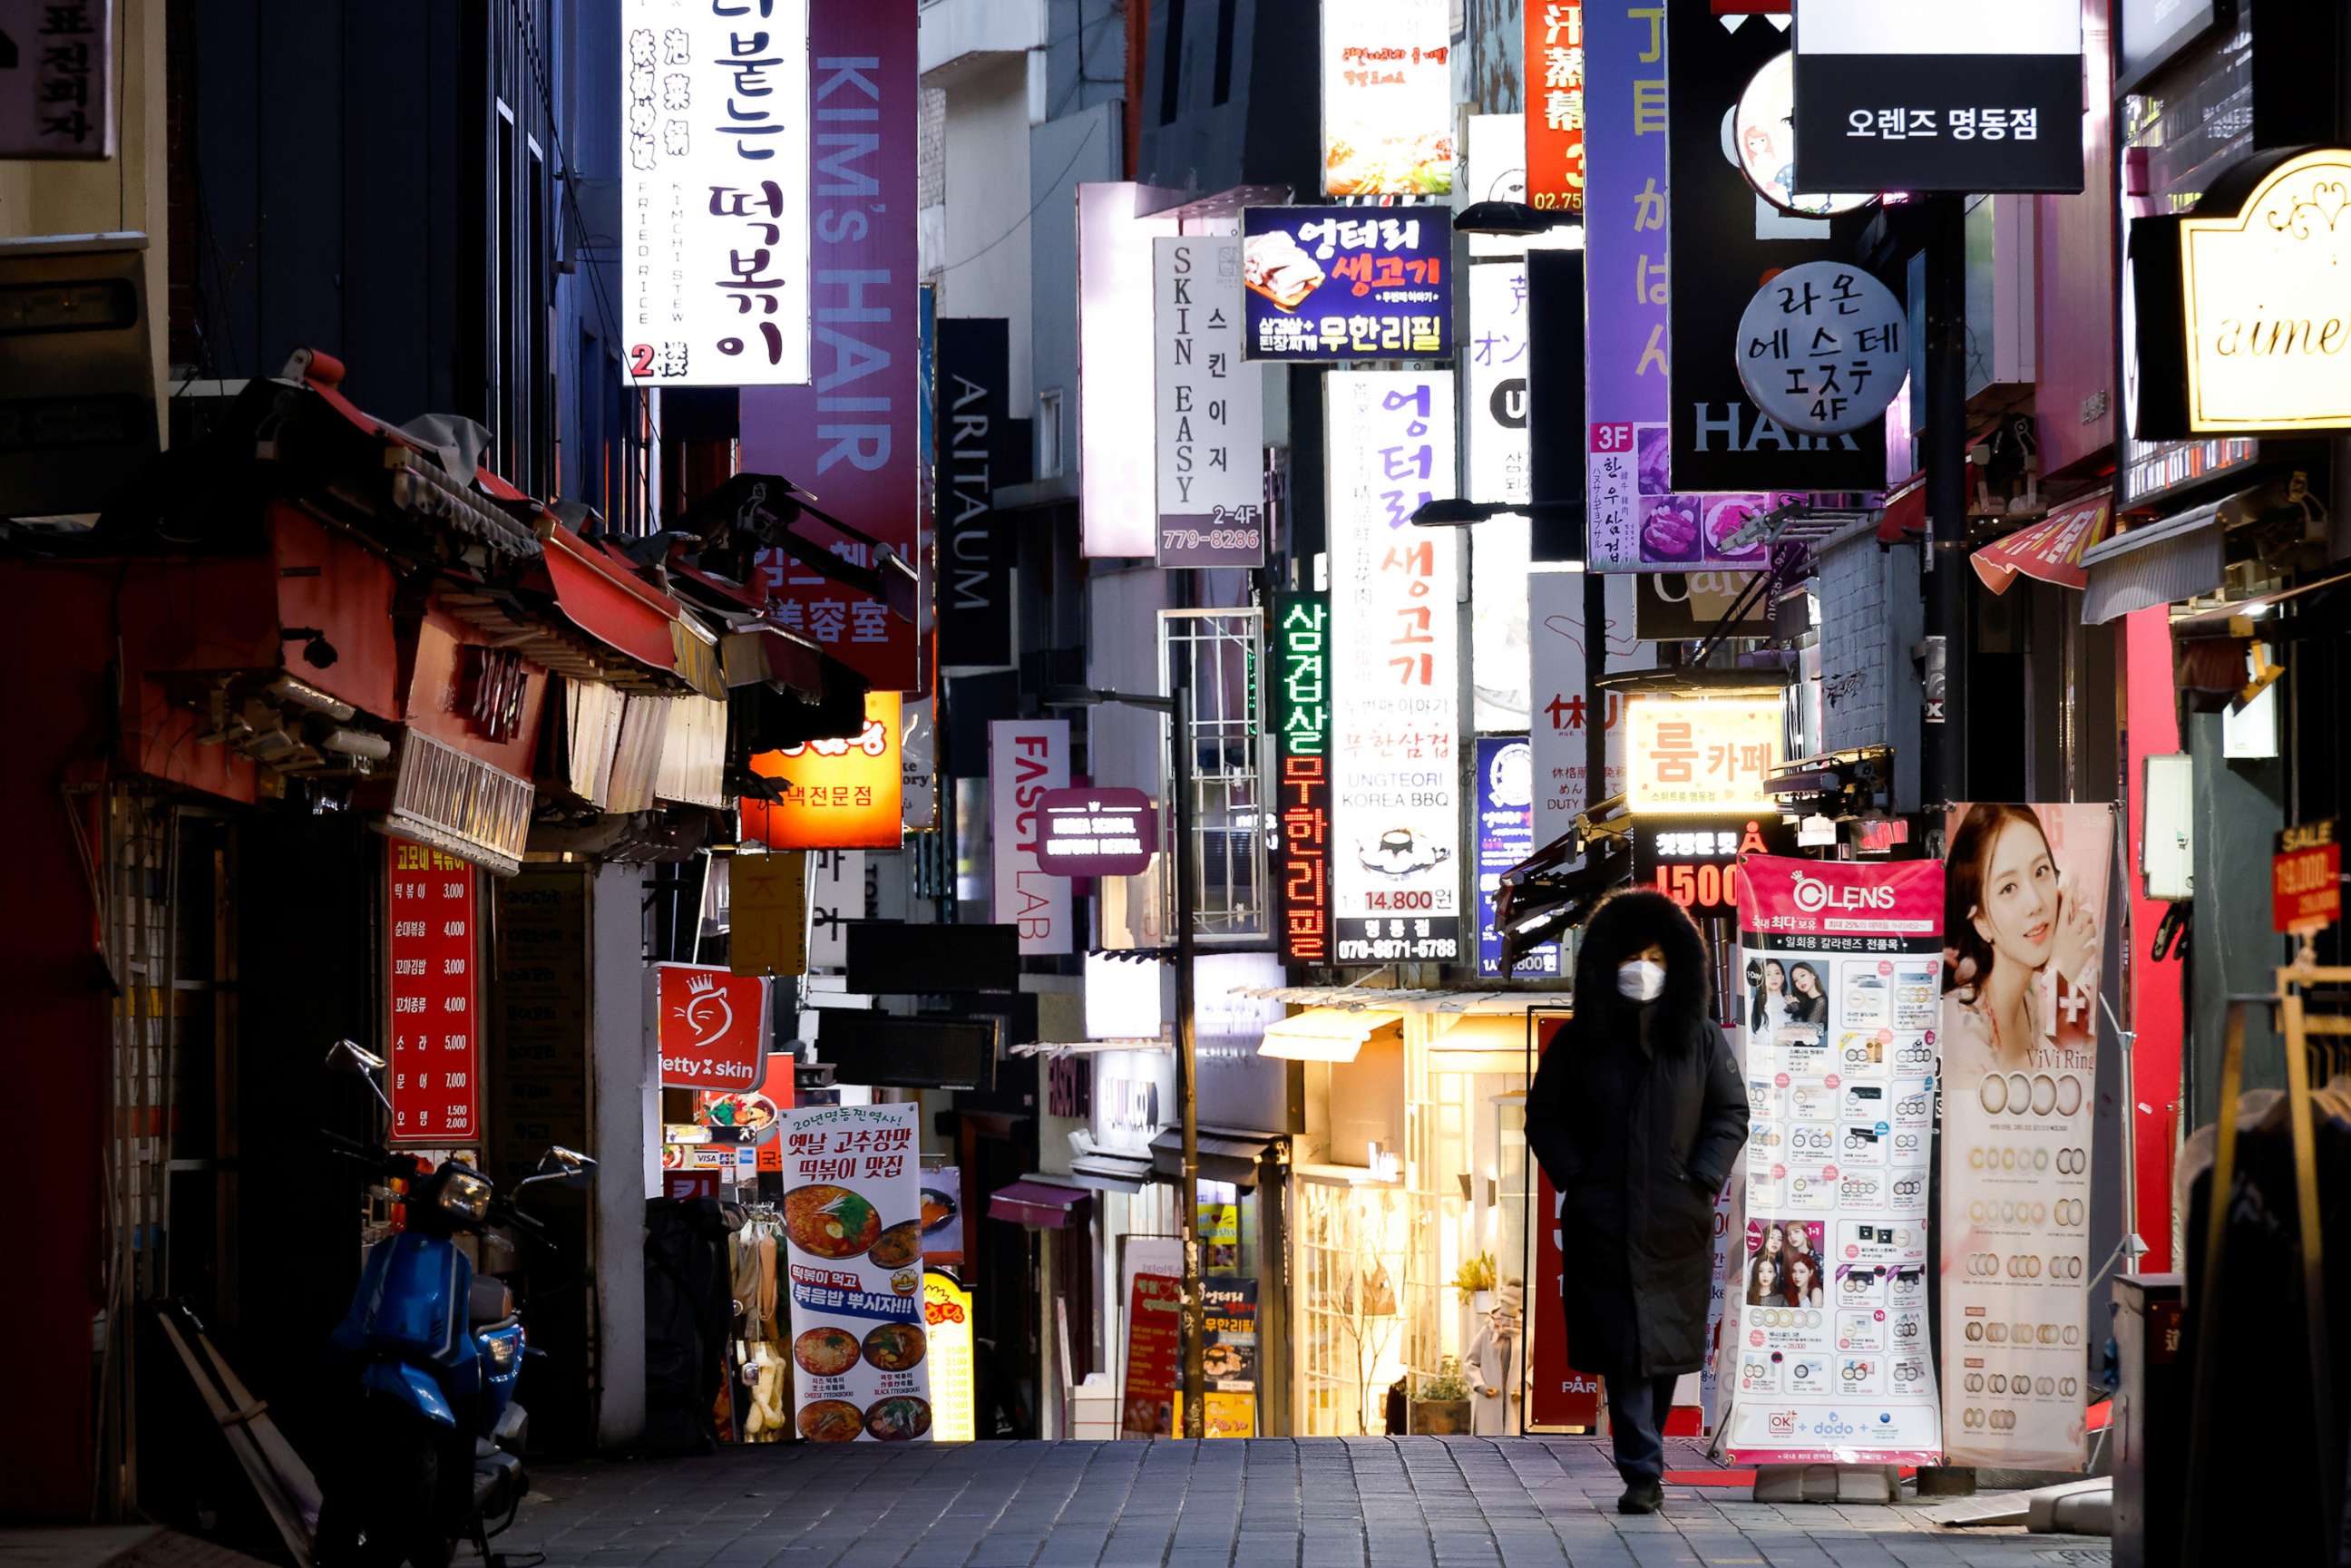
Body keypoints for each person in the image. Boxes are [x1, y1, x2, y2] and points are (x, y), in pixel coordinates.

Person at [1527, 889, 1747, 1516]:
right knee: (1625, 1352)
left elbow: (1730, 1113)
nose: (1643, 966)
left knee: (1665, 1352)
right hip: (1605, 1223)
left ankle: (1644, 1450)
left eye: (1655, 954)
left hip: (1678, 1223)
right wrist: (1578, 1177)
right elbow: (1544, 1115)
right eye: (1633, 954)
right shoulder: (1578, 1043)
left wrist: (1702, 1177)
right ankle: (1642, 1470)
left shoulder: (1700, 1039)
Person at [1943, 803, 2101, 1075]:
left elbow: (2083, 1098)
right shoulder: (1960, 1023)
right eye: (2008, 888)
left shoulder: (2037, 993)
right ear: (1980, 921)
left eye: (2041, 872)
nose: (2036, 903)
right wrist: (2059, 983)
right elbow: (2048, 1108)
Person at [1464, 1282, 1525, 1437]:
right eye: (1503, 1301)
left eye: (1510, 1303)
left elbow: (1534, 1366)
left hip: (1515, 1402)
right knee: (1488, 1444)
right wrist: (1481, 1385)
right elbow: (1471, 1362)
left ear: (1518, 1306)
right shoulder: (1488, 1330)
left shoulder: (1526, 1333)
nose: (1505, 1306)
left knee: (1516, 1444)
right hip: (1491, 1399)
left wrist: (1525, 1386)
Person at [1749, 958, 1790, 1037]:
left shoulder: (1791, 1003)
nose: (1773, 978)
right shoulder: (1752, 1003)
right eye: (1768, 974)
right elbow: (1750, 1038)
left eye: (1777, 973)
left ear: (1782, 978)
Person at [1786, 962, 1828, 1027]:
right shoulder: (1803, 1000)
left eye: (1802, 975)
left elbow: (1808, 1032)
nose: (1800, 981)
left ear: (1813, 975)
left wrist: (1796, 1010)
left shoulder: (1821, 1001)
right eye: (1796, 980)